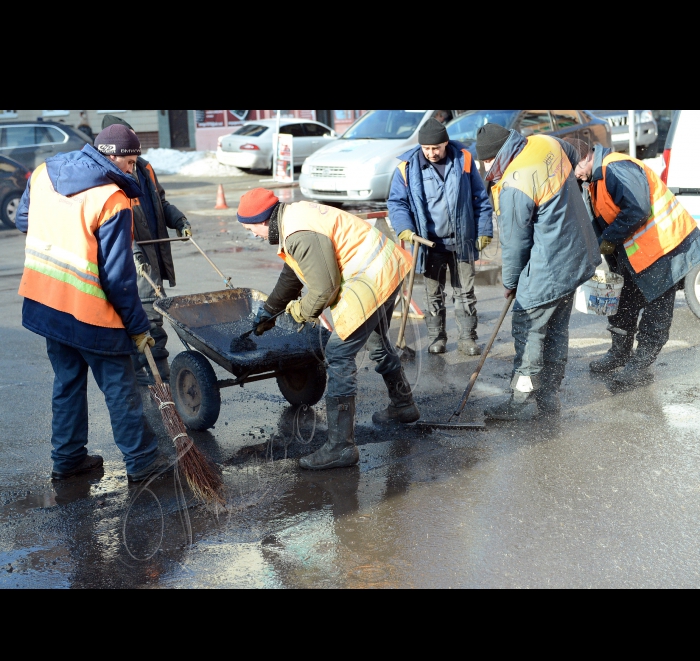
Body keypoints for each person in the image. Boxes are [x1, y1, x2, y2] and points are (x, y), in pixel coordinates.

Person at [16, 124, 170, 482]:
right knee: (120, 386)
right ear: (111, 157)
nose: (132, 170)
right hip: (88, 312)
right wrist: (138, 327)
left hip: (46, 302)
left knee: (67, 381)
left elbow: (25, 220)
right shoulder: (111, 199)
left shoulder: (43, 174)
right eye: (130, 163)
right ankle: (144, 462)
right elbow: (118, 279)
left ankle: (68, 459)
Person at [238, 189, 417, 471]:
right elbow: (295, 272)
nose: (255, 236)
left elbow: (324, 289)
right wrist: (270, 309)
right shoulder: (294, 217)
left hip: (369, 276)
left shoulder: (297, 233)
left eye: (251, 230)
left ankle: (340, 447)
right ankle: (403, 405)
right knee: (376, 340)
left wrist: (300, 311)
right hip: (386, 266)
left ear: (263, 221)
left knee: (338, 353)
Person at [475, 123, 601, 420]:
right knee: (557, 331)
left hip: (549, 266)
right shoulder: (545, 143)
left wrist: (510, 282)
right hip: (576, 257)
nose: (484, 167)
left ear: (492, 157)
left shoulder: (515, 184)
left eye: (485, 161)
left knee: (528, 329)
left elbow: (515, 243)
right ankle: (549, 398)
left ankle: (519, 400)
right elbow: (572, 152)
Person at [573, 139, 700, 387]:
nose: (573, 176)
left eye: (572, 168)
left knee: (656, 312)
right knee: (622, 303)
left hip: (664, 247)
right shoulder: (594, 178)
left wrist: (609, 239)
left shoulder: (617, 167)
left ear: (585, 157)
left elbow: (638, 209)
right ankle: (619, 353)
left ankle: (640, 364)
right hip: (636, 251)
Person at [388, 117, 494, 356]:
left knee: (465, 292)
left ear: (446, 143)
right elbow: (397, 202)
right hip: (429, 243)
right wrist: (404, 227)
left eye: (435, 148)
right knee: (433, 293)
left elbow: (480, 199)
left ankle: (467, 338)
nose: (431, 153)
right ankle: (437, 338)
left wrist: (485, 230)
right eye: (426, 148)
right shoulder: (407, 167)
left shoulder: (464, 160)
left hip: (462, 240)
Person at [101, 114, 193, 385]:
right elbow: (113, 222)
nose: (133, 144)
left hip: (152, 255)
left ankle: (147, 376)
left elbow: (160, 202)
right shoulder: (108, 176)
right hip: (131, 261)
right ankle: (156, 381)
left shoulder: (144, 167)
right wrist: (134, 253)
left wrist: (179, 220)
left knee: (149, 317)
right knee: (150, 320)